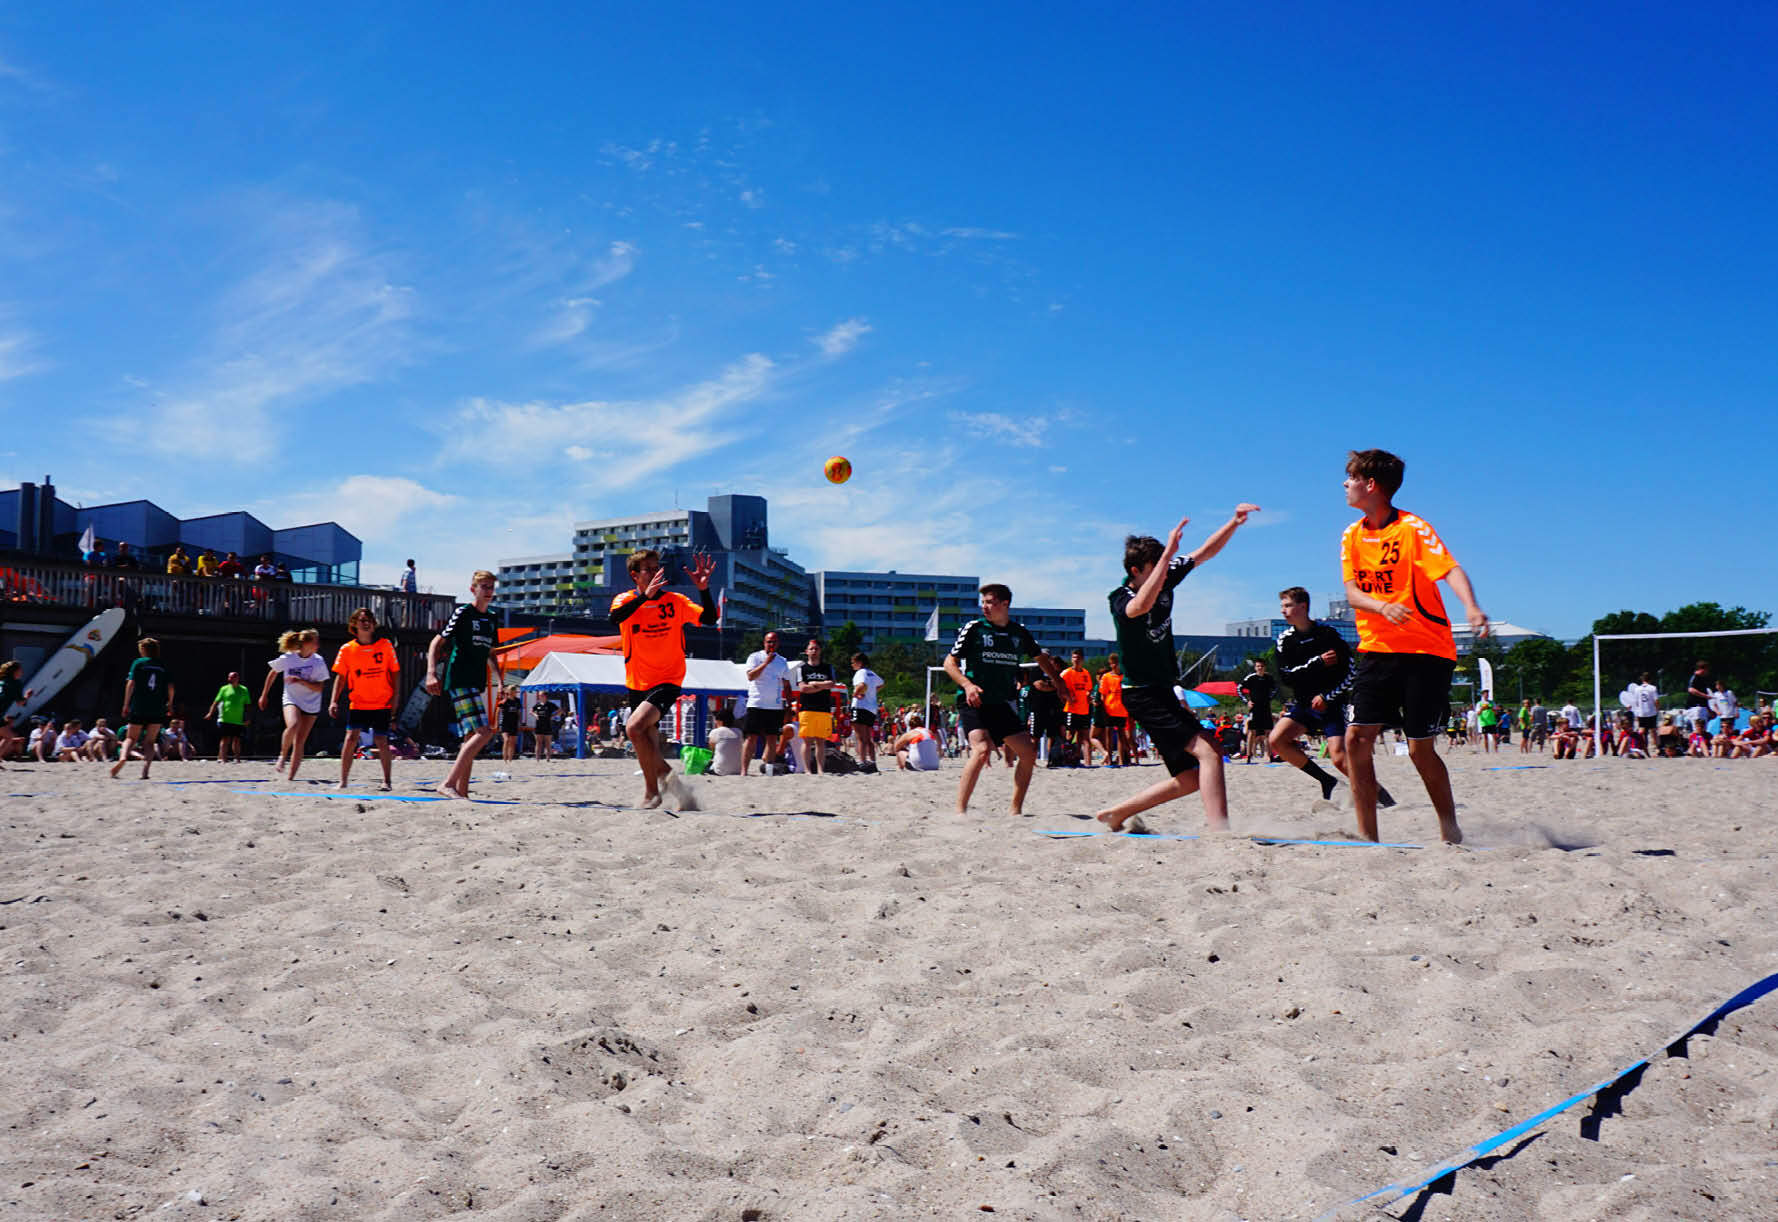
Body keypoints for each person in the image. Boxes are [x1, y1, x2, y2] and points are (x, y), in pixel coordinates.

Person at [1339, 449, 1488, 845]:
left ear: (1370, 484)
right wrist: (1382, 606)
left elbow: (1450, 568)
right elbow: (1352, 593)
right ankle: (1368, 838)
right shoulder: (1351, 534)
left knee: (1420, 749)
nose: (1344, 484)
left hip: (1426, 652)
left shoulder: (1413, 528)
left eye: (1350, 477)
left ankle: (1450, 831)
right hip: (1375, 648)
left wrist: (1471, 607)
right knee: (1356, 740)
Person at [1094, 505, 1259, 832]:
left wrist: (1234, 523)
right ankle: (1220, 832)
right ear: (1135, 570)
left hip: (1162, 690)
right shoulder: (1119, 597)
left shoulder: (1165, 573)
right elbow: (1139, 607)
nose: (1165, 572)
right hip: (1141, 693)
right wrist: (1169, 551)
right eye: (1157, 567)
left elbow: (1204, 553)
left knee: (1190, 779)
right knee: (1211, 751)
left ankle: (1116, 814)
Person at [944, 583, 1069, 814]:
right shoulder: (974, 628)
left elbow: (1040, 657)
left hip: (1000, 702)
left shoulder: (1018, 632)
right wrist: (967, 684)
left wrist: (1059, 682)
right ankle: (960, 811)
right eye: (983, 602)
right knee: (981, 751)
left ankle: (1015, 810)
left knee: (1029, 753)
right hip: (974, 699)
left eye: (989, 602)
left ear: (1005, 604)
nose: (985, 607)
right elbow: (948, 663)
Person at [610, 549, 719, 808]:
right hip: (637, 680)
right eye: (648, 569)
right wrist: (644, 598)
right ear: (635, 575)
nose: (655, 572)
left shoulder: (675, 600)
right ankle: (669, 790)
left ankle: (655, 792)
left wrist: (703, 589)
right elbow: (615, 618)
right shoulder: (624, 600)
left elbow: (710, 619)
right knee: (647, 743)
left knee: (634, 728)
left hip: (668, 678)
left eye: (656, 567)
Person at [1268, 586, 1396, 806]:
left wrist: (1328, 696)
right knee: (1277, 740)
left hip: (1332, 705)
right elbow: (1286, 677)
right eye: (1282, 606)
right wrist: (1316, 663)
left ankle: (1382, 796)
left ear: (1303, 606)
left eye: (1288, 605)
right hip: (1303, 704)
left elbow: (1351, 672)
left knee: (1338, 758)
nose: (1283, 611)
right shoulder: (1284, 640)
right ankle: (1326, 781)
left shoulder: (1328, 634)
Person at [425, 571, 500, 799]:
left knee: (471, 737)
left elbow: (490, 653)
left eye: (490, 587)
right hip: (459, 678)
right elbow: (437, 641)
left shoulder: (492, 618)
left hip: (476, 681)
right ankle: (447, 783)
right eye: (483, 586)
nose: (488, 591)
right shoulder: (464, 613)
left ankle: (462, 792)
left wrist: (500, 681)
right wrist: (431, 672)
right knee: (485, 732)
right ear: (473, 589)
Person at [329, 607, 401, 790]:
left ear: (374, 624)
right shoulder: (347, 649)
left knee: (381, 741)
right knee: (350, 739)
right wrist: (333, 700)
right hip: (358, 702)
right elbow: (341, 677)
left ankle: (387, 781)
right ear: (354, 624)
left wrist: (395, 699)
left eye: (369, 619)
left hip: (381, 702)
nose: (366, 622)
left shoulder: (385, 645)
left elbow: (395, 674)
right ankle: (343, 781)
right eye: (361, 620)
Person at [261, 628, 328, 781]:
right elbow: (272, 673)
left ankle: (291, 778)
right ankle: (282, 756)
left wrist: (301, 681)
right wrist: (264, 695)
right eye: (314, 641)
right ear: (305, 643)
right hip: (292, 699)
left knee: (300, 741)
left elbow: (319, 688)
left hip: (312, 703)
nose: (317, 644)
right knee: (293, 725)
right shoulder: (289, 658)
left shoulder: (318, 661)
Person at [109, 637, 173, 780]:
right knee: (150, 741)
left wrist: (125, 704)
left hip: (139, 705)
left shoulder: (138, 663)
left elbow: (130, 684)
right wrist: (170, 704)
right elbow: (170, 687)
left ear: (143, 650)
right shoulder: (162, 665)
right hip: (157, 707)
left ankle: (123, 758)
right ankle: (145, 771)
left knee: (131, 738)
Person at [788, 639, 843, 775]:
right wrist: (821, 685)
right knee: (807, 741)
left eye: (816, 648)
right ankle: (807, 770)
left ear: (820, 651)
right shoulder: (802, 669)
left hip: (824, 708)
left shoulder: (828, 667)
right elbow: (803, 688)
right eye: (811, 649)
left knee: (821, 742)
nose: (814, 651)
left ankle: (820, 770)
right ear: (806, 652)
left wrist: (814, 684)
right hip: (807, 708)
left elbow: (832, 684)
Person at [1059, 649, 1096, 766]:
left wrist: (1089, 696)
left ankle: (1087, 763)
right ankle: (1066, 760)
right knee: (1069, 736)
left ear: (1082, 659)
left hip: (1084, 709)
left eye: (1078, 658)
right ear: (1071, 659)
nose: (1076, 660)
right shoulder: (1066, 673)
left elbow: (1089, 689)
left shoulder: (1086, 673)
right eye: (1074, 657)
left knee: (1085, 738)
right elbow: (1058, 688)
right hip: (1071, 709)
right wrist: (1067, 697)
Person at [205, 671, 252, 762]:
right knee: (225, 739)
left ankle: (237, 758)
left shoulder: (244, 689)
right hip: (225, 718)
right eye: (229, 677)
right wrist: (210, 713)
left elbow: (247, 705)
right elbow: (216, 702)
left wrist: (248, 718)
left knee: (237, 740)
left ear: (237, 678)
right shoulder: (224, 689)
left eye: (233, 677)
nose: (230, 679)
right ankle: (223, 758)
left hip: (238, 720)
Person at [849, 652, 885, 772]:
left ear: (859, 662)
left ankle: (862, 761)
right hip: (871, 708)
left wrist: (855, 694)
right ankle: (872, 762)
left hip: (860, 706)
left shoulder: (860, 672)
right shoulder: (872, 673)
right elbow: (881, 684)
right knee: (868, 737)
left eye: (853, 662)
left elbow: (861, 684)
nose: (852, 665)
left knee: (860, 737)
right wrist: (871, 693)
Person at [1236, 658, 1276, 764]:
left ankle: (1270, 755)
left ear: (1265, 667)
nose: (1260, 668)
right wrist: (1246, 701)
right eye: (1258, 666)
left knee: (1268, 731)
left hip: (1266, 707)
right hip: (1254, 708)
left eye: (1262, 666)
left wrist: (1270, 697)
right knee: (1252, 732)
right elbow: (1239, 688)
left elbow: (1275, 689)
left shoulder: (1269, 678)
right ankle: (1249, 755)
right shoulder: (1251, 678)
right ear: (1255, 667)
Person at [1097, 655, 1132, 766]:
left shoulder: (1124, 677)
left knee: (1122, 735)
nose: (1114, 665)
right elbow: (1103, 695)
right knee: (1109, 733)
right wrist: (1103, 708)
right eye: (1112, 663)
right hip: (1109, 709)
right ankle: (1109, 759)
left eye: (1116, 663)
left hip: (1122, 709)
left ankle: (1122, 759)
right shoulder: (1106, 677)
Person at [0, 659, 33, 769]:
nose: (22, 672)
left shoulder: (1, 680)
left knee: (8, 736)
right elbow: (20, 703)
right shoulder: (15, 683)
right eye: (20, 670)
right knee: (9, 737)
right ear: (14, 671)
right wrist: (28, 696)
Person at [708, 706, 743, 776]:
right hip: (738, 770)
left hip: (720, 771)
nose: (715, 722)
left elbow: (711, 750)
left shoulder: (715, 731)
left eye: (716, 720)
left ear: (720, 721)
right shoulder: (739, 732)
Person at [1685, 661, 1713, 736]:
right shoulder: (1695, 677)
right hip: (1696, 707)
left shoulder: (1702, 679)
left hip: (1702, 707)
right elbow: (1691, 690)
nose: (1708, 672)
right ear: (1703, 669)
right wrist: (1705, 696)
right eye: (1707, 670)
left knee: (1703, 730)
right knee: (1698, 730)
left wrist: (1709, 709)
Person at [497, 687, 524, 761]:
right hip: (504, 723)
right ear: (510, 692)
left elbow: (519, 713)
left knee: (513, 742)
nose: (516, 693)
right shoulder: (504, 701)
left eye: (516, 691)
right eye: (514, 691)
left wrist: (520, 723)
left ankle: (510, 759)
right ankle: (504, 758)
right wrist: (496, 724)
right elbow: (498, 712)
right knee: (506, 740)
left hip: (514, 723)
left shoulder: (517, 701)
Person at [532, 692, 560, 760]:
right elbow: (531, 711)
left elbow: (560, 710)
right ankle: (537, 758)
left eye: (541, 695)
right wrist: (535, 715)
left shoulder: (550, 704)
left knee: (548, 743)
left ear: (545, 696)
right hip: (539, 725)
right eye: (539, 695)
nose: (539, 697)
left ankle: (548, 758)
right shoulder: (537, 704)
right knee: (538, 743)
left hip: (548, 725)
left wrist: (553, 716)